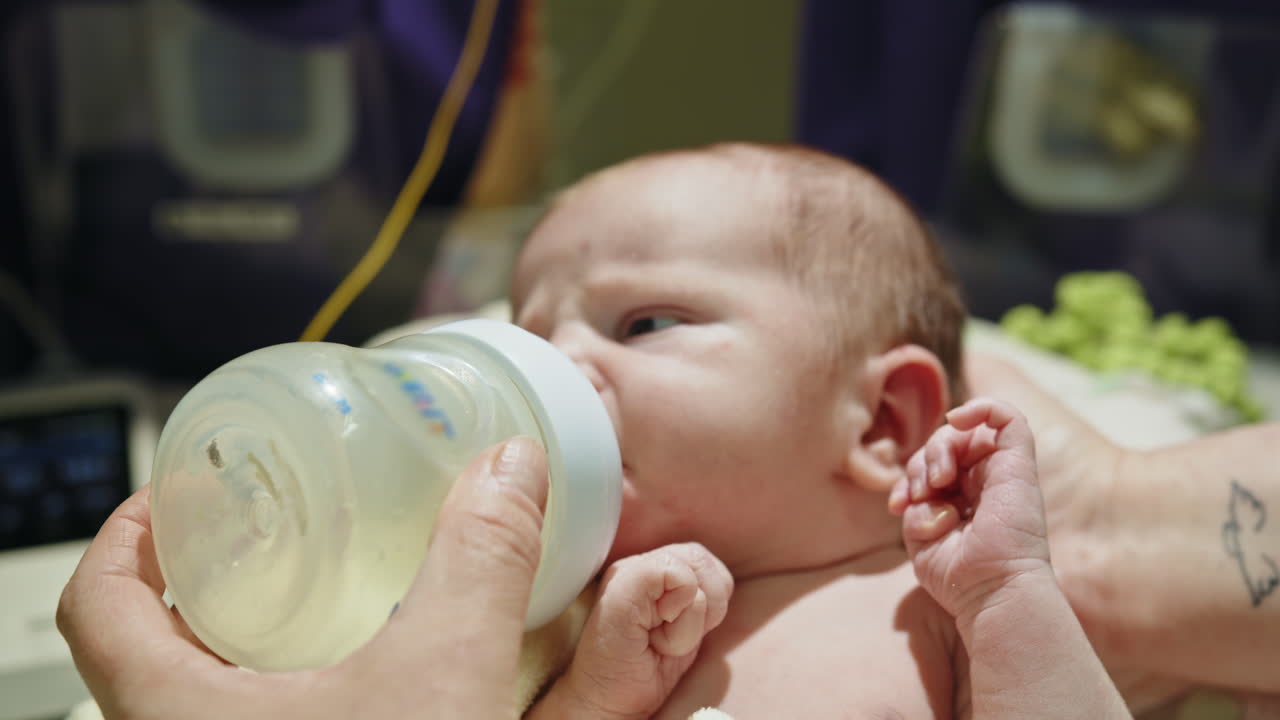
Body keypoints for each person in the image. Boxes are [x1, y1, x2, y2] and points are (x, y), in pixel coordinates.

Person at [58, 143, 1280, 717]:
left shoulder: (934, 611)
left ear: (882, 423)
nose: (545, 365)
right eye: (527, 327)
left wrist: (1014, 597)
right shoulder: (540, 621)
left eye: (643, 323)